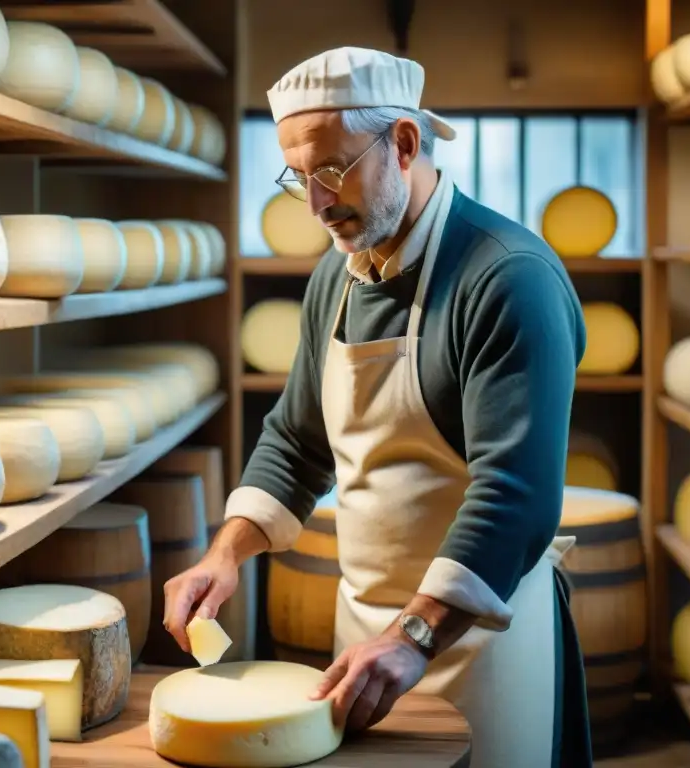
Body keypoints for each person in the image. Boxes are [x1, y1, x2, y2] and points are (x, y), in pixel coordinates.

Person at [162, 46, 593, 768]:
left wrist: (413, 636)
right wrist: (225, 551)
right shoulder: (336, 278)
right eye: (297, 177)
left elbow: (515, 498)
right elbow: (297, 442)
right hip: (365, 638)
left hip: (478, 638)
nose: (315, 204)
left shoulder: (507, 279)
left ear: (403, 142)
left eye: (330, 170)